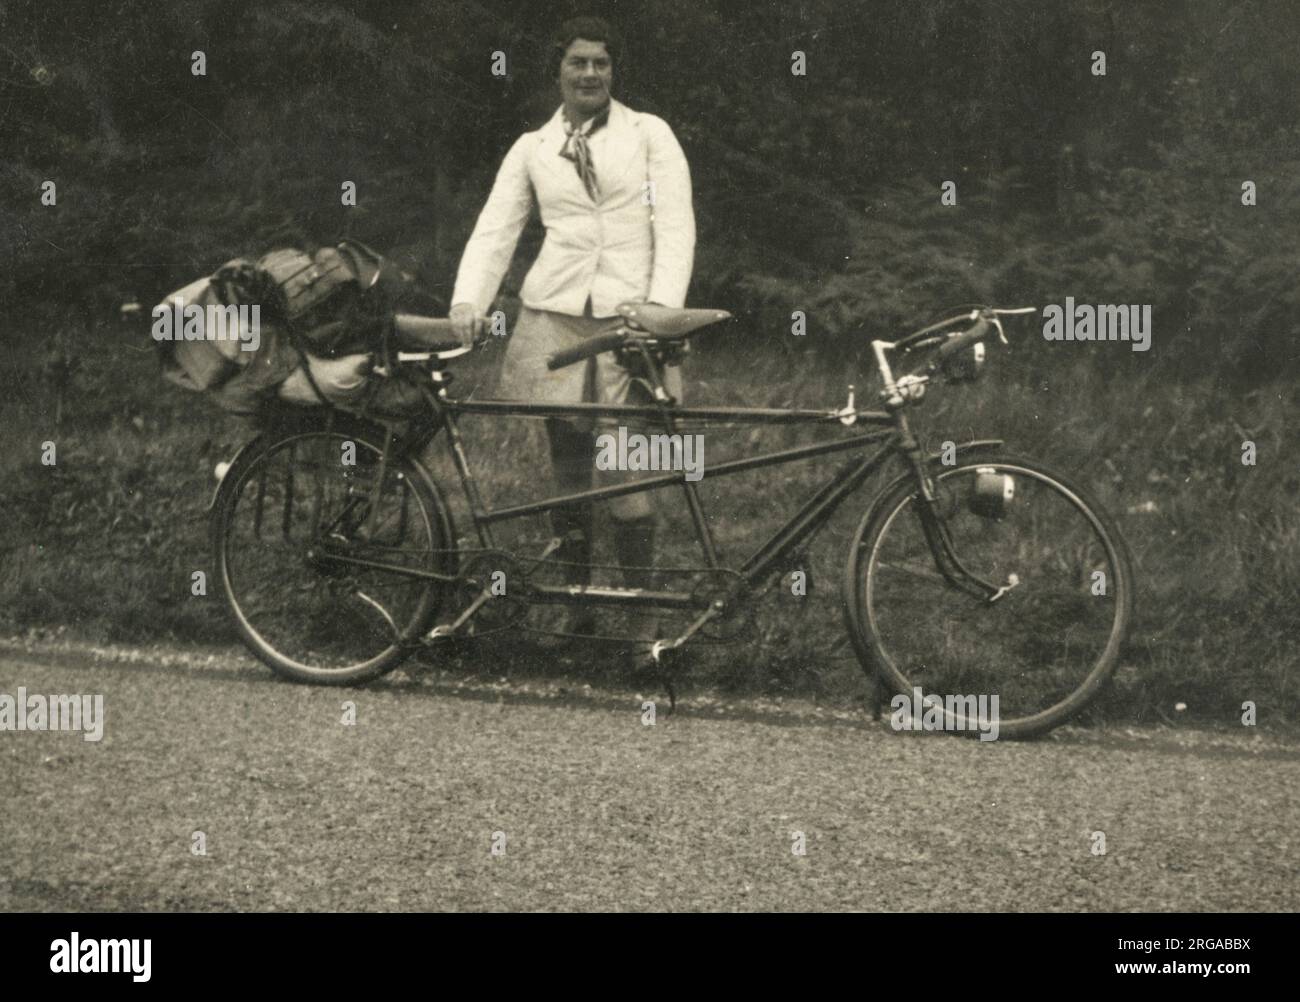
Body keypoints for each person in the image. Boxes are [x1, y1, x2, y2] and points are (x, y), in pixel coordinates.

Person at [449, 15, 696, 637]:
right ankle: (577, 609)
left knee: (629, 468)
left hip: (628, 322)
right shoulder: (534, 146)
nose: (589, 74)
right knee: (568, 468)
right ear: (558, 71)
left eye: (601, 64)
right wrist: (467, 302)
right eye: (577, 63)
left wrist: (660, 312)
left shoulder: (650, 136)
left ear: (614, 71)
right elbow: (496, 227)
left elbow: (675, 226)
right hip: (555, 320)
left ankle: (644, 626)